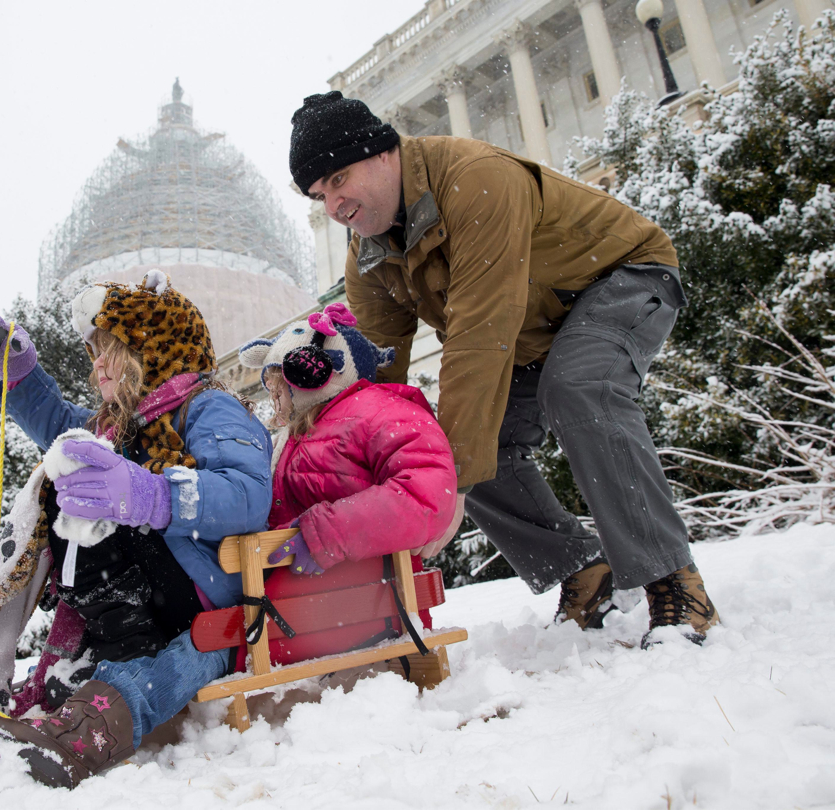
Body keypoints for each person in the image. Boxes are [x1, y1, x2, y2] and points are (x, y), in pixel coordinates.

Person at [0, 303, 460, 789]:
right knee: (212, 630)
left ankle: (90, 732)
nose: (275, 397)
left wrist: (326, 530)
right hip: (291, 593)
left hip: (358, 597)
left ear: (321, 369)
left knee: (210, 641)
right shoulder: (298, 437)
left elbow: (427, 493)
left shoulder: (380, 410)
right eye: (272, 383)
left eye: (282, 381)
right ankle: (56, 699)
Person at [287, 91, 719, 648]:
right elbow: (375, 380)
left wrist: (451, 486)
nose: (333, 205)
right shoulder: (367, 256)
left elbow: (480, 331)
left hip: (620, 278)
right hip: (529, 331)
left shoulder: (475, 179)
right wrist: (362, 484)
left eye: (339, 179)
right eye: (319, 195)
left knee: (577, 387)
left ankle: (674, 582)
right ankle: (584, 572)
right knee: (446, 448)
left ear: (383, 152)